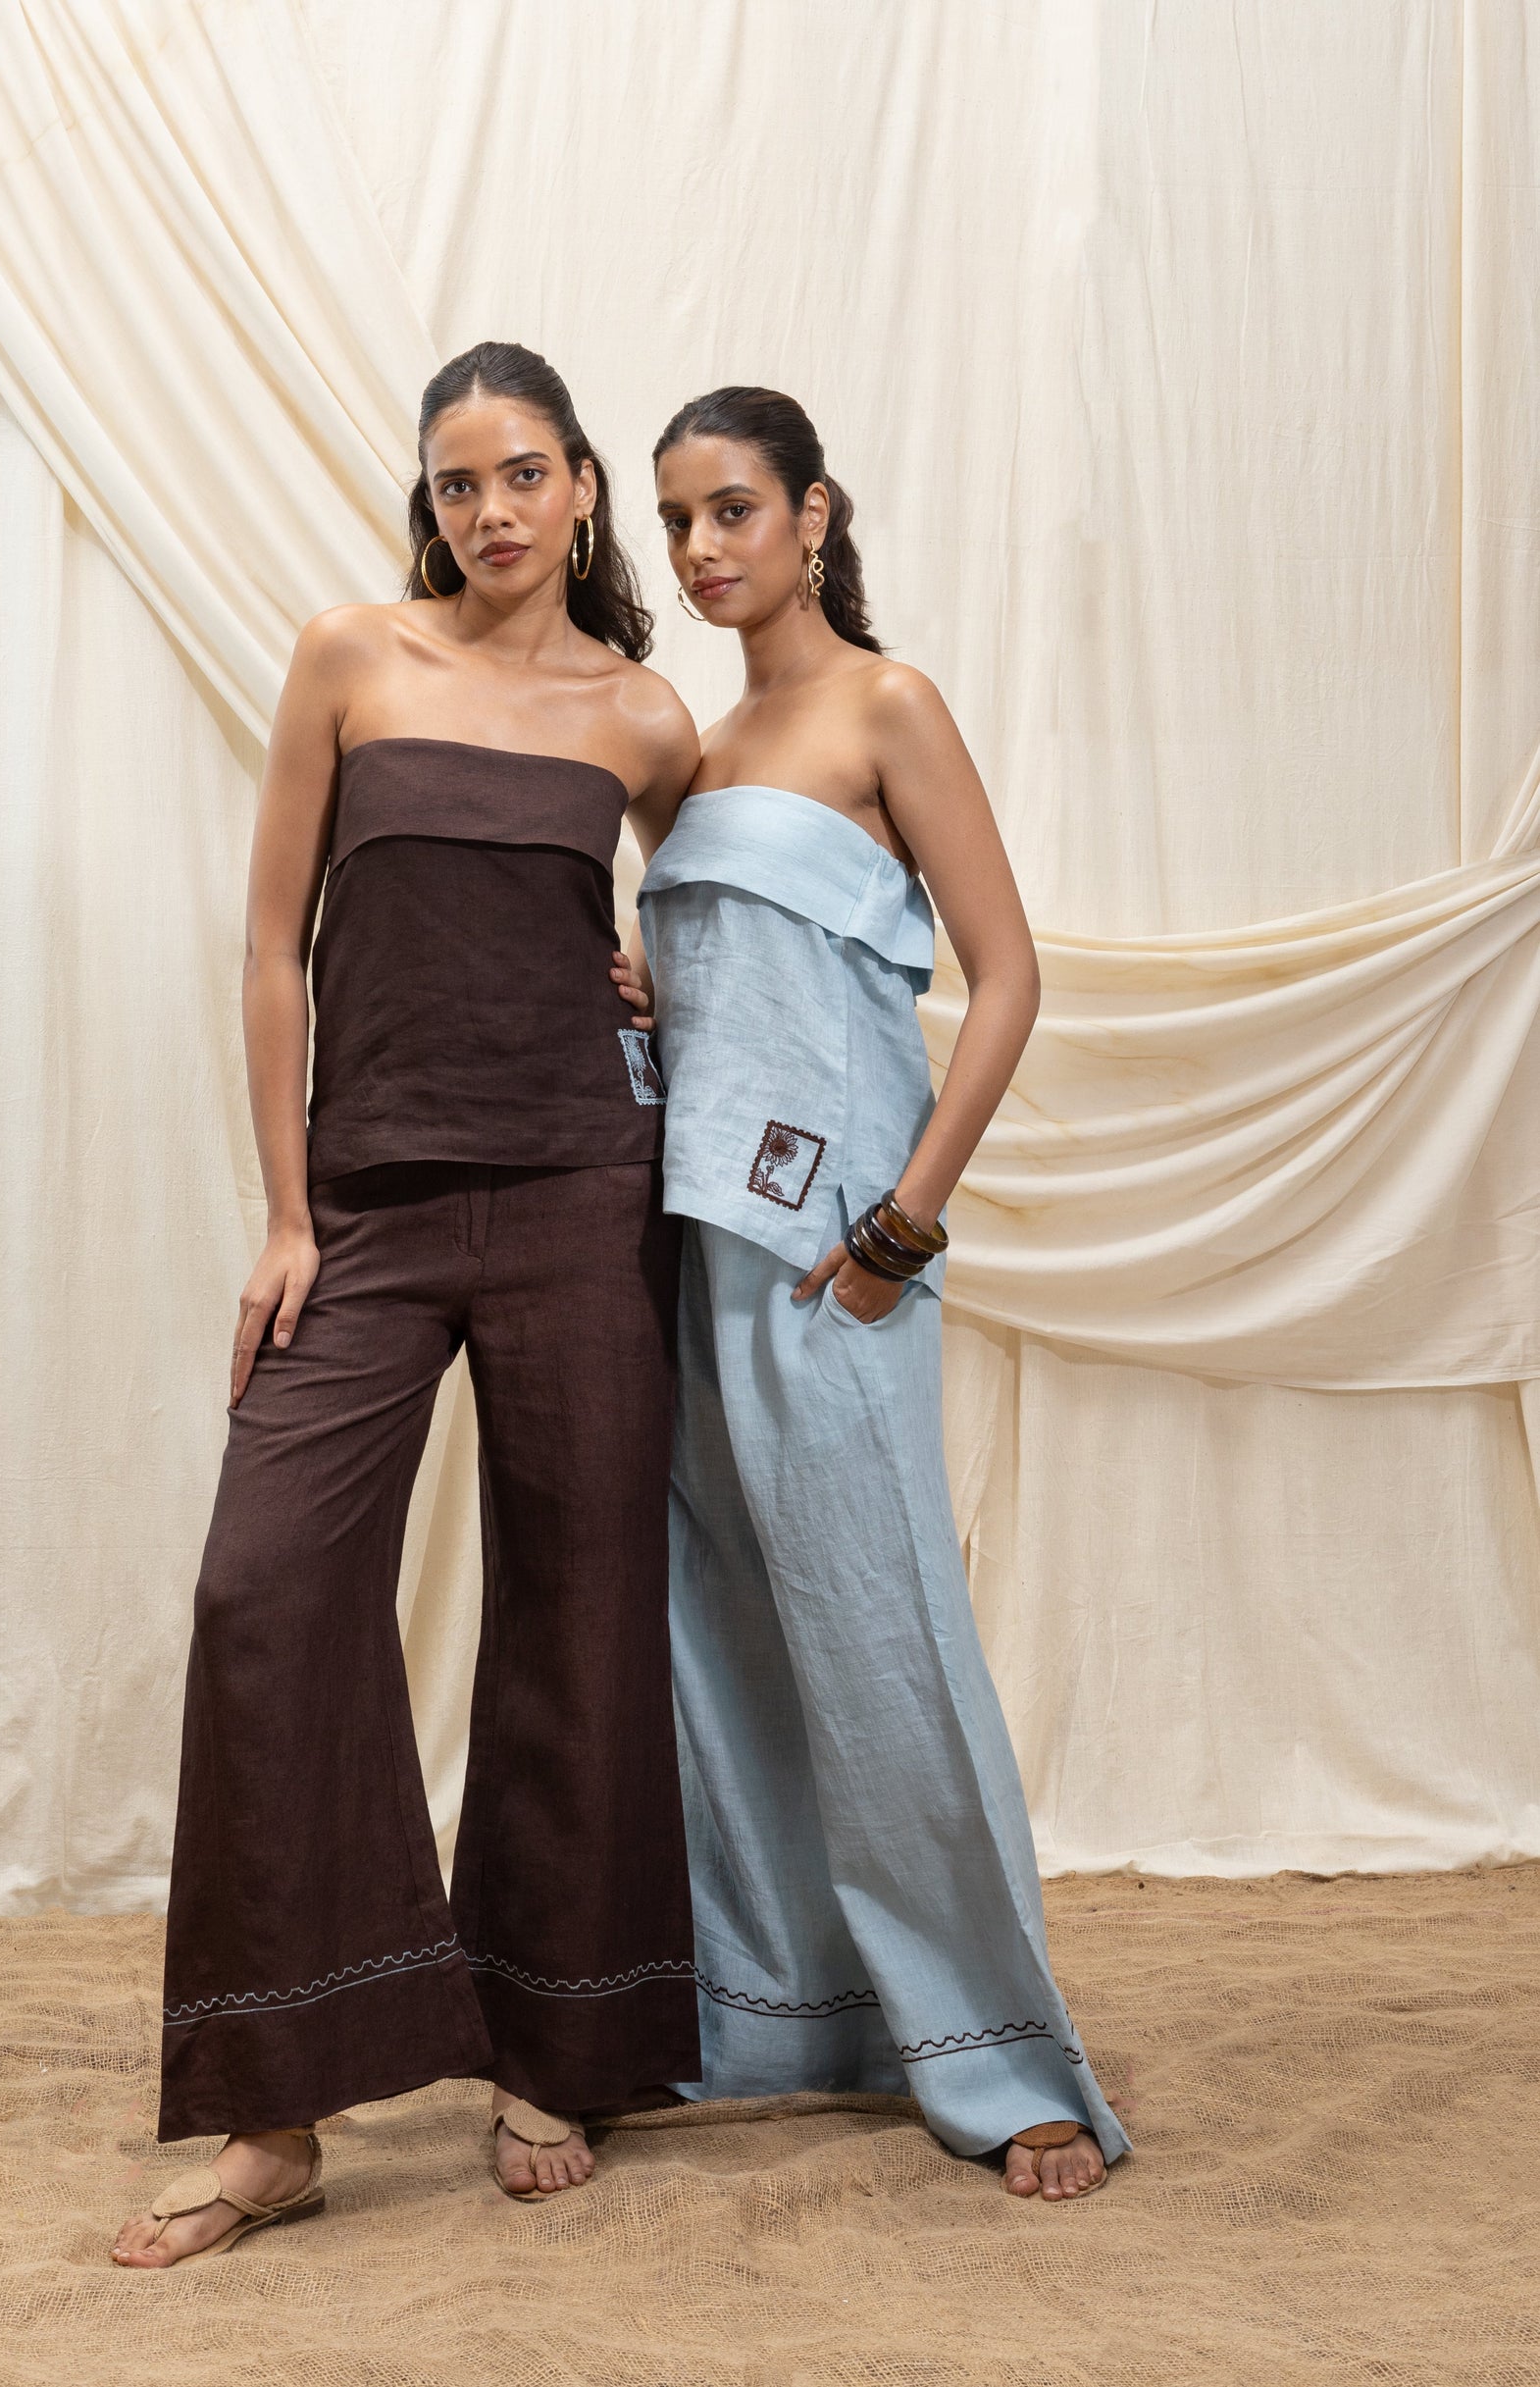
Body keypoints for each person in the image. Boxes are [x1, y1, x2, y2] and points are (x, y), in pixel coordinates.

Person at [114, 342, 701, 2267]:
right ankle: (274, 2109)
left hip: (582, 1201)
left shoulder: (646, 718)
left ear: (582, 486)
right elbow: (270, 944)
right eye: (458, 482)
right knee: (263, 1588)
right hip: (363, 1206)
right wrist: (286, 1214)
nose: (492, 509)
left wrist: (665, 974)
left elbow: (730, 924)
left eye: (523, 472)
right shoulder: (348, 658)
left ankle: (559, 2042)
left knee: (581, 1612)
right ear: (429, 504)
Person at [614, 387, 1130, 2204]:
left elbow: (1007, 975)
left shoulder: (883, 704)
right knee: (728, 1644)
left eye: (732, 509)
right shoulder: (693, 753)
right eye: (676, 519)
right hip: (695, 1244)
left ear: (812, 514)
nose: (700, 548)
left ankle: (1004, 2055)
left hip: (835, 1258)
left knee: (880, 1632)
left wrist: (904, 1225)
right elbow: (741, 993)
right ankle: (787, 2022)